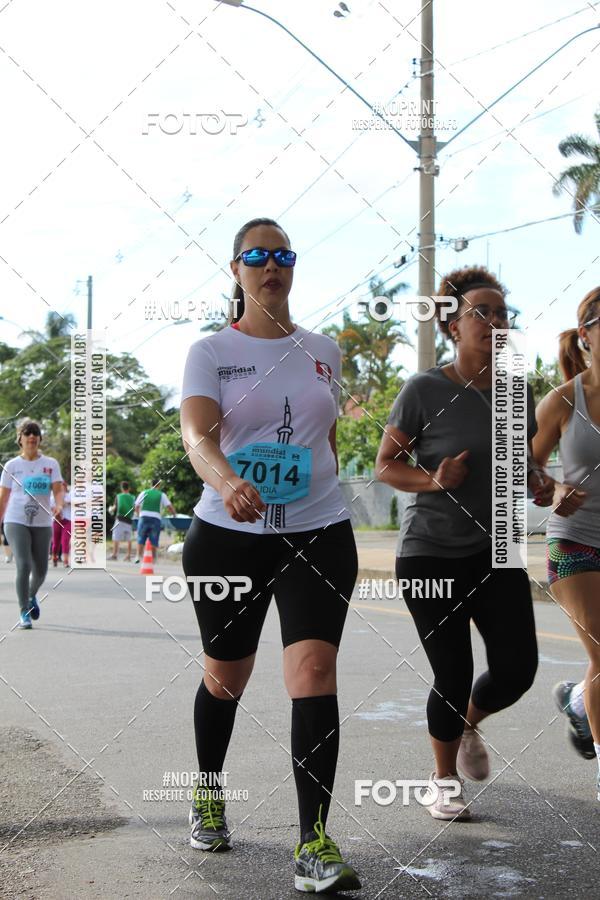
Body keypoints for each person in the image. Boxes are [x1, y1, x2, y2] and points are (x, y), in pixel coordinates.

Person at [180, 217, 360, 894]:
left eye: (282, 254)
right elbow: (196, 434)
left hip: (318, 530)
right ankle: (207, 791)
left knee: (313, 669)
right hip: (227, 537)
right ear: (236, 270)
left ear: (292, 267)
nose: (270, 264)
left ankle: (313, 841)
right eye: (255, 255)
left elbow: (328, 439)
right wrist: (227, 482)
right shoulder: (211, 351)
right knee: (227, 676)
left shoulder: (324, 350)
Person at [376, 266, 554, 820]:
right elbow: (385, 467)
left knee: (518, 669)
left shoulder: (515, 392)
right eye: (484, 312)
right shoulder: (424, 389)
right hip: (430, 551)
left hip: (496, 549)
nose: (496, 322)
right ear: (453, 325)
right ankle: (442, 778)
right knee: (451, 672)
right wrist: (434, 479)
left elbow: (519, 465)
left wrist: (539, 483)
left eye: (504, 314)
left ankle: (469, 722)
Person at [532, 286, 600, 800]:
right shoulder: (563, 400)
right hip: (574, 540)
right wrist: (552, 487)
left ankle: (579, 701)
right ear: (587, 336)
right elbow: (521, 463)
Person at [0, 420, 64, 628]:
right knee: (24, 564)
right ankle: (23, 611)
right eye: (27, 433)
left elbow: (58, 490)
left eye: (35, 433)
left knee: (41, 570)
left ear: (39, 439)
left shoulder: (51, 464)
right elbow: (3, 498)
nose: (31, 436)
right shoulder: (11, 466)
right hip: (15, 519)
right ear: (20, 439)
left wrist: (60, 505)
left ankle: (30, 596)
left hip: (43, 521)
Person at [134, 477, 175, 563]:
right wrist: (174, 514)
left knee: (141, 537)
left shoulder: (144, 492)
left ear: (151, 484)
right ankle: (153, 559)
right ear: (158, 485)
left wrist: (138, 515)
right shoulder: (161, 494)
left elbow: (136, 505)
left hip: (143, 517)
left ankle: (138, 556)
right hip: (155, 518)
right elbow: (169, 506)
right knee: (154, 538)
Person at [109, 481, 135, 561]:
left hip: (120, 519)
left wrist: (110, 509)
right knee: (129, 539)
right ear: (129, 488)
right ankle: (128, 555)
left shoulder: (119, 496)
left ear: (121, 488)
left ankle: (114, 554)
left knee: (116, 537)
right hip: (129, 520)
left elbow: (115, 507)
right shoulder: (133, 497)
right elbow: (134, 508)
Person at [51, 481, 71, 567]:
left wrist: (63, 503)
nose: (62, 490)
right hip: (57, 521)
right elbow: (51, 509)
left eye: (63, 488)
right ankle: (54, 557)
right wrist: (56, 510)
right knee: (55, 543)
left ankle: (65, 560)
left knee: (65, 540)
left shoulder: (69, 496)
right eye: (59, 489)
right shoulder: (52, 498)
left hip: (68, 521)